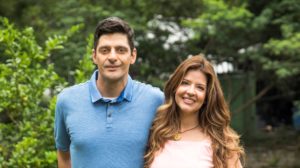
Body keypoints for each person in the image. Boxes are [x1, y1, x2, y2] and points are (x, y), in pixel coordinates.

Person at [54, 17, 164, 168]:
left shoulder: (155, 100)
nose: (112, 57)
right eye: (105, 50)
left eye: (121, 50)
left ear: (132, 56)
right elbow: (63, 155)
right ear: (94, 56)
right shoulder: (66, 101)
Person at [144, 55, 245, 168]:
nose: (191, 91)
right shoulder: (157, 132)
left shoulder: (222, 143)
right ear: (174, 87)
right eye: (185, 83)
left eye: (200, 87)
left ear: (207, 97)